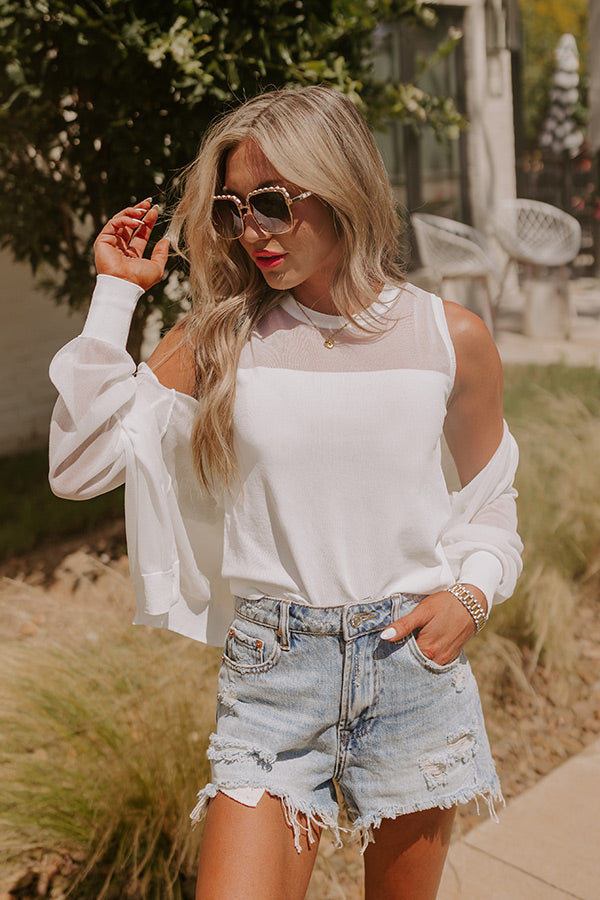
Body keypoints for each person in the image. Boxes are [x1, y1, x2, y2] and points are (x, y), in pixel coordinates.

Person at [49, 85, 522, 900]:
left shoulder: (449, 337)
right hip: (277, 671)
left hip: (410, 663)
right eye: (232, 210)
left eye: (271, 203)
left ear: (341, 189)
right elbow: (78, 465)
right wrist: (116, 293)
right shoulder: (220, 338)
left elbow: (492, 505)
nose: (251, 231)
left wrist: (472, 597)